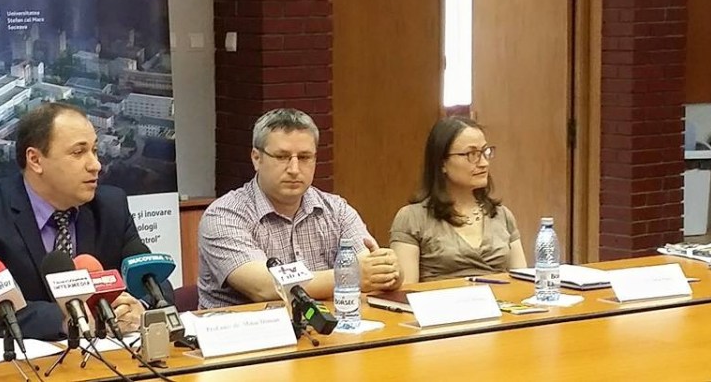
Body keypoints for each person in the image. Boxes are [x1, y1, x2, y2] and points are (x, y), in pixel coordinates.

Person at [0, 102, 173, 340]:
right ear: (35, 160)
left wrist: (139, 307)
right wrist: (70, 319)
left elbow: (154, 282)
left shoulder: (111, 207)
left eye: (95, 150)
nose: (95, 165)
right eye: (78, 152)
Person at [198, 108, 403, 309]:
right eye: (282, 157)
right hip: (245, 329)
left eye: (304, 157)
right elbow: (265, 287)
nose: (294, 169)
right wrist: (350, 276)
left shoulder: (336, 210)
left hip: (326, 328)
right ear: (256, 158)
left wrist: (390, 271)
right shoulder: (224, 215)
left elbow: (372, 270)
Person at [390, 117, 527, 283]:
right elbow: (406, 290)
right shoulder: (412, 218)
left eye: (485, 152)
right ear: (442, 163)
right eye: (472, 154)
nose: (484, 163)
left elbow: (523, 282)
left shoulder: (502, 215)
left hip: (502, 299)